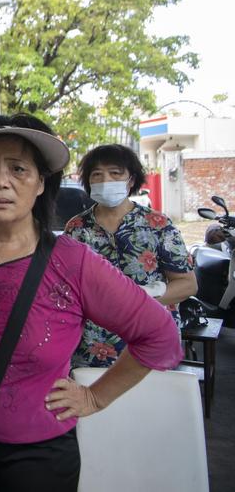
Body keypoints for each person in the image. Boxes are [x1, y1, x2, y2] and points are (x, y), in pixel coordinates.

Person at [0, 115, 183, 492]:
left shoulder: (73, 262)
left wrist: (95, 397)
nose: (1, 181)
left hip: (38, 454)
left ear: (41, 182)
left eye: (18, 168)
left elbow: (159, 335)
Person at [64, 144, 196, 367]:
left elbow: (187, 285)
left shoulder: (158, 224)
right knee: (91, 401)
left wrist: (141, 298)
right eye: (97, 174)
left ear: (131, 180)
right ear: (88, 181)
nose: (106, 180)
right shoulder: (76, 228)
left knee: (154, 401)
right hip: (92, 347)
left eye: (115, 173)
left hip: (150, 339)